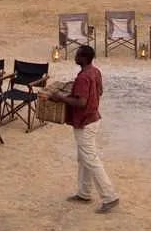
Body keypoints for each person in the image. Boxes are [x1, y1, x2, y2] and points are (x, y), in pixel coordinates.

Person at [48, 44, 120, 213]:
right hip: (92, 118)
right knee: (84, 158)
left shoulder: (83, 77)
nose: (75, 57)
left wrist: (61, 98)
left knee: (90, 159)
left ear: (84, 58)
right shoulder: (95, 72)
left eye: (78, 55)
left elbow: (81, 102)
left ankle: (110, 196)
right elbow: (99, 92)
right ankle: (84, 193)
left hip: (85, 122)